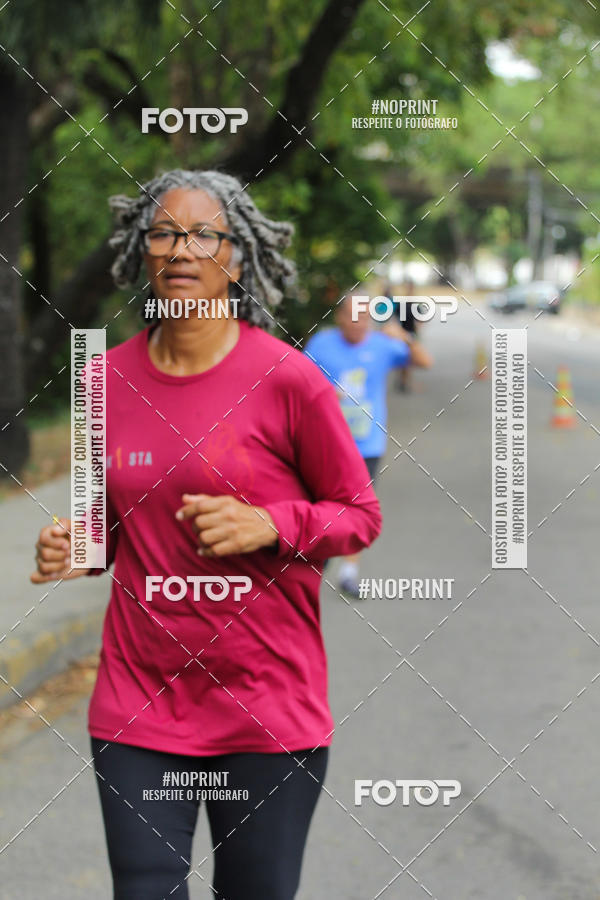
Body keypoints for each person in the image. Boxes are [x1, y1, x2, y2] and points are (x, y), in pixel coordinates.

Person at [30, 169, 382, 900]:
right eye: (163, 231)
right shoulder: (101, 381)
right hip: (140, 702)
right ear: (140, 250)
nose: (182, 248)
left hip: (265, 706)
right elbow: (104, 533)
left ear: (238, 255)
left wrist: (271, 522)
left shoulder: (289, 378)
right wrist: (73, 550)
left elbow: (359, 515)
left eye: (204, 234)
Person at [304, 292, 432, 598]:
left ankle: (349, 573)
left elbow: (425, 362)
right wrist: (322, 393)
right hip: (325, 444)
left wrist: (404, 335)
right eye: (352, 316)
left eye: (364, 317)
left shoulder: (382, 345)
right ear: (339, 317)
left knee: (357, 510)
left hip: (367, 445)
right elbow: (296, 380)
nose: (358, 323)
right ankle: (313, 565)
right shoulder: (321, 344)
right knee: (321, 506)